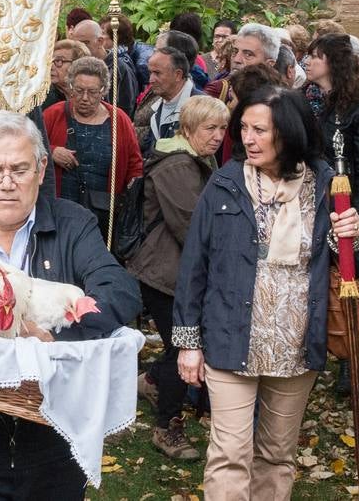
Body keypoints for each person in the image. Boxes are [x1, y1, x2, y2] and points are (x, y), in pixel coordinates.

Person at [0, 111, 142, 499]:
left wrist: (57, 341)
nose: (6, 184)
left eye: (19, 169)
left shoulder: (73, 225)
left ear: (40, 170)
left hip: (52, 441)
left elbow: (119, 290)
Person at [173, 87, 359, 499]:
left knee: (277, 454)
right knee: (229, 451)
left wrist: (350, 238)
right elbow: (194, 265)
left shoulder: (326, 184)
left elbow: (352, 269)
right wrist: (189, 342)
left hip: (295, 343)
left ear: (289, 133)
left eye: (260, 130)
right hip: (230, 335)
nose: (248, 138)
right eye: (244, 128)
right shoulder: (226, 182)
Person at [129, 95, 229, 460]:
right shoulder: (177, 167)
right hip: (164, 274)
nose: (218, 136)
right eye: (210, 128)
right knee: (181, 350)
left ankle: (153, 381)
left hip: (182, 272)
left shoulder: (200, 158)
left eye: (222, 128)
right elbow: (193, 228)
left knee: (179, 347)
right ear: (187, 128)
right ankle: (165, 426)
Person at [43, 57, 144, 238]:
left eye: (92, 92)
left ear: (103, 91)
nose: (84, 98)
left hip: (103, 215)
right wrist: (52, 151)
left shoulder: (118, 120)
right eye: (79, 91)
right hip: (59, 211)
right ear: (70, 87)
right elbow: (31, 150)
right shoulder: (53, 115)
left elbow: (134, 164)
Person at [303, 33, 359, 216]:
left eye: (314, 57)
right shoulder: (299, 99)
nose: (307, 62)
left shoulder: (358, 109)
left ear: (333, 63)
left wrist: (357, 212)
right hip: (300, 194)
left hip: (337, 197)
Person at [133, 46, 197, 156]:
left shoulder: (200, 107)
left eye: (157, 73)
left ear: (178, 75)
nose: (151, 80)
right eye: (150, 73)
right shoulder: (157, 106)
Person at [68, 18, 137, 116]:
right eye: (76, 45)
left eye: (85, 43)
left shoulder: (119, 68)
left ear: (100, 41)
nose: (80, 49)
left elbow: (126, 108)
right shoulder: (74, 67)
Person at [204, 23, 278, 107]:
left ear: (269, 64)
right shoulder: (217, 91)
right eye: (235, 52)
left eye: (248, 55)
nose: (236, 60)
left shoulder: (280, 102)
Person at [43, 39, 90, 112]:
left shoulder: (93, 94)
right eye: (50, 61)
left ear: (78, 65)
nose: (51, 67)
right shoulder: (43, 99)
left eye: (58, 61)